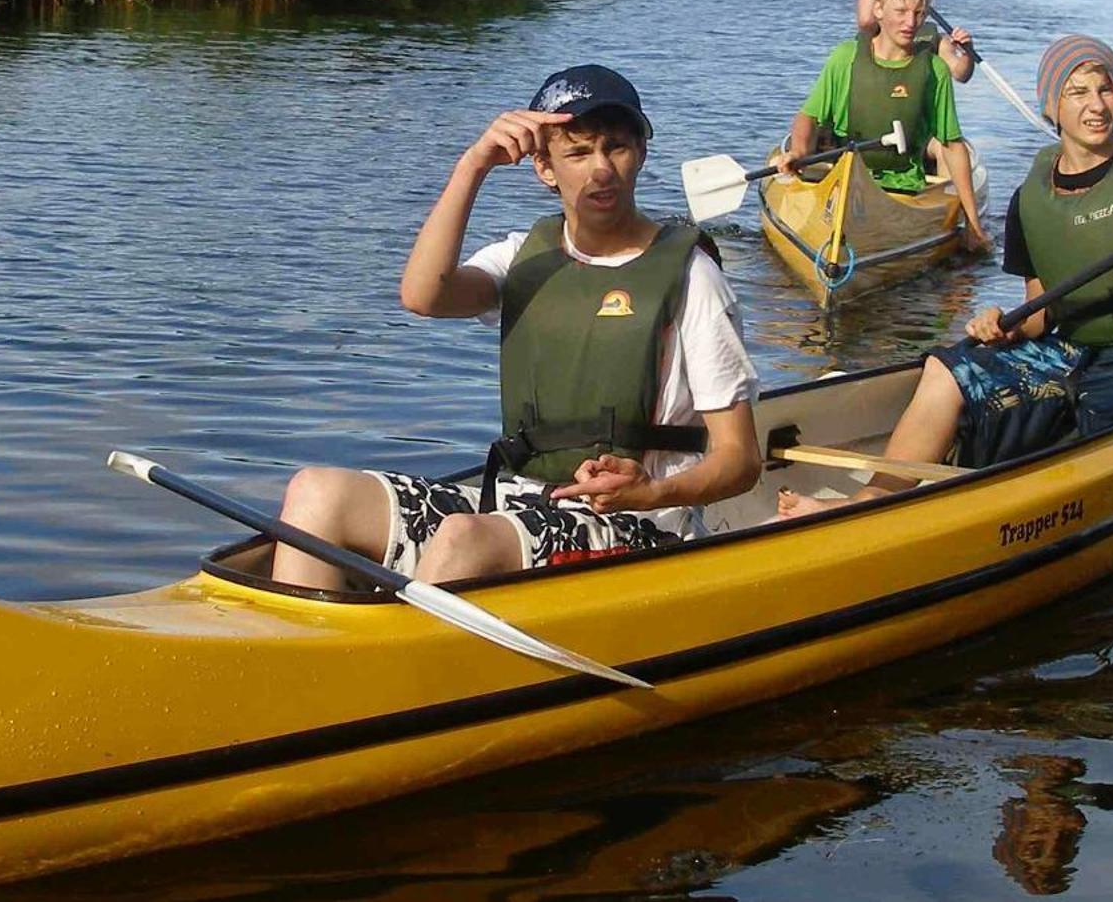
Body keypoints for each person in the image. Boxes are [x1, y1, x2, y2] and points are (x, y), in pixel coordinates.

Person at [270, 65, 761, 588]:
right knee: (316, 494)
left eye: (616, 147)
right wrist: (473, 165)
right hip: (519, 503)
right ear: (544, 168)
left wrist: (652, 492)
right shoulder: (522, 258)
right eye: (577, 153)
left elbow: (740, 459)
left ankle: (408, 660)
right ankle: (309, 659)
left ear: (640, 152)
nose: (601, 170)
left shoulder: (692, 276)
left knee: (464, 539)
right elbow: (423, 295)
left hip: (639, 525)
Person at [776, 35, 1113, 518]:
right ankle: (871, 501)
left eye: (1106, 90)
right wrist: (1004, 324)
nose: (1096, 106)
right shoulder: (1029, 199)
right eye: (1078, 92)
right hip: (1070, 352)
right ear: (1052, 106)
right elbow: (1039, 312)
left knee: (1108, 430)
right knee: (947, 368)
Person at [781, 0, 991, 252]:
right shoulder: (846, 57)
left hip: (903, 183)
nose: (910, 23)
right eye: (901, 12)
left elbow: (953, 145)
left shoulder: (935, 69)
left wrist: (973, 224)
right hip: (842, 174)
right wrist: (799, 153)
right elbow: (808, 117)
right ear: (879, 11)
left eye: (918, 14)